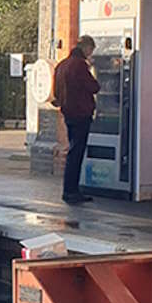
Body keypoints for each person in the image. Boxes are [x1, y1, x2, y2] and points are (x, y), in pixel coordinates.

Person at [52, 35, 100, 205]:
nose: (90, 53)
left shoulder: (62, 65)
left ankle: (70, 189)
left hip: (68, 113)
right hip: (81, 113)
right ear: (86, 48)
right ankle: (71, 191)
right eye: (91, 50)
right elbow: (94, 87)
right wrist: (92, 70)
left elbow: (56, 92)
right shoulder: (79, 65)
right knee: (76, 153)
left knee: (73, 150)